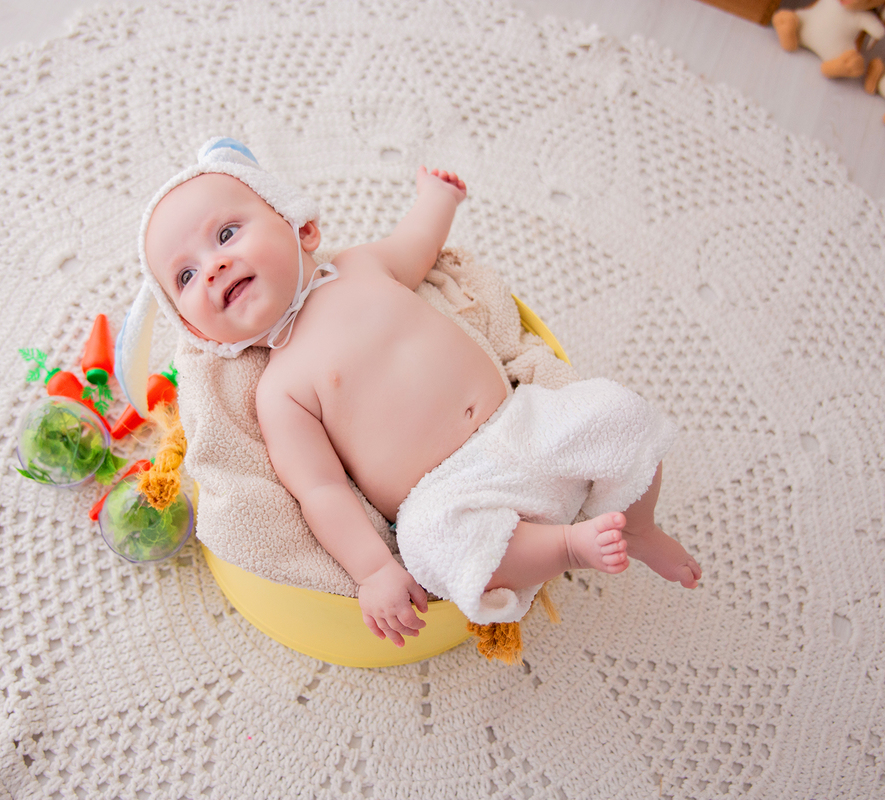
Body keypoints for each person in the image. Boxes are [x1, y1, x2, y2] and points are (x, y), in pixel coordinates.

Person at [129, 138, 701, 647]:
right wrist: (374, 570)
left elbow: (417, 244)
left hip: (522, 422)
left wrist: (438, 199)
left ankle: (638, 524)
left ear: (302, 229)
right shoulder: (278, 393)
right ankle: (568, 548)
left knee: (615, 411)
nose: (212, 267)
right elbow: (322, 491)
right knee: (430, 547)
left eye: (226, 234)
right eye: (185, 276)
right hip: (448, 494)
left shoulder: (359, 266)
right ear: (201, 334)